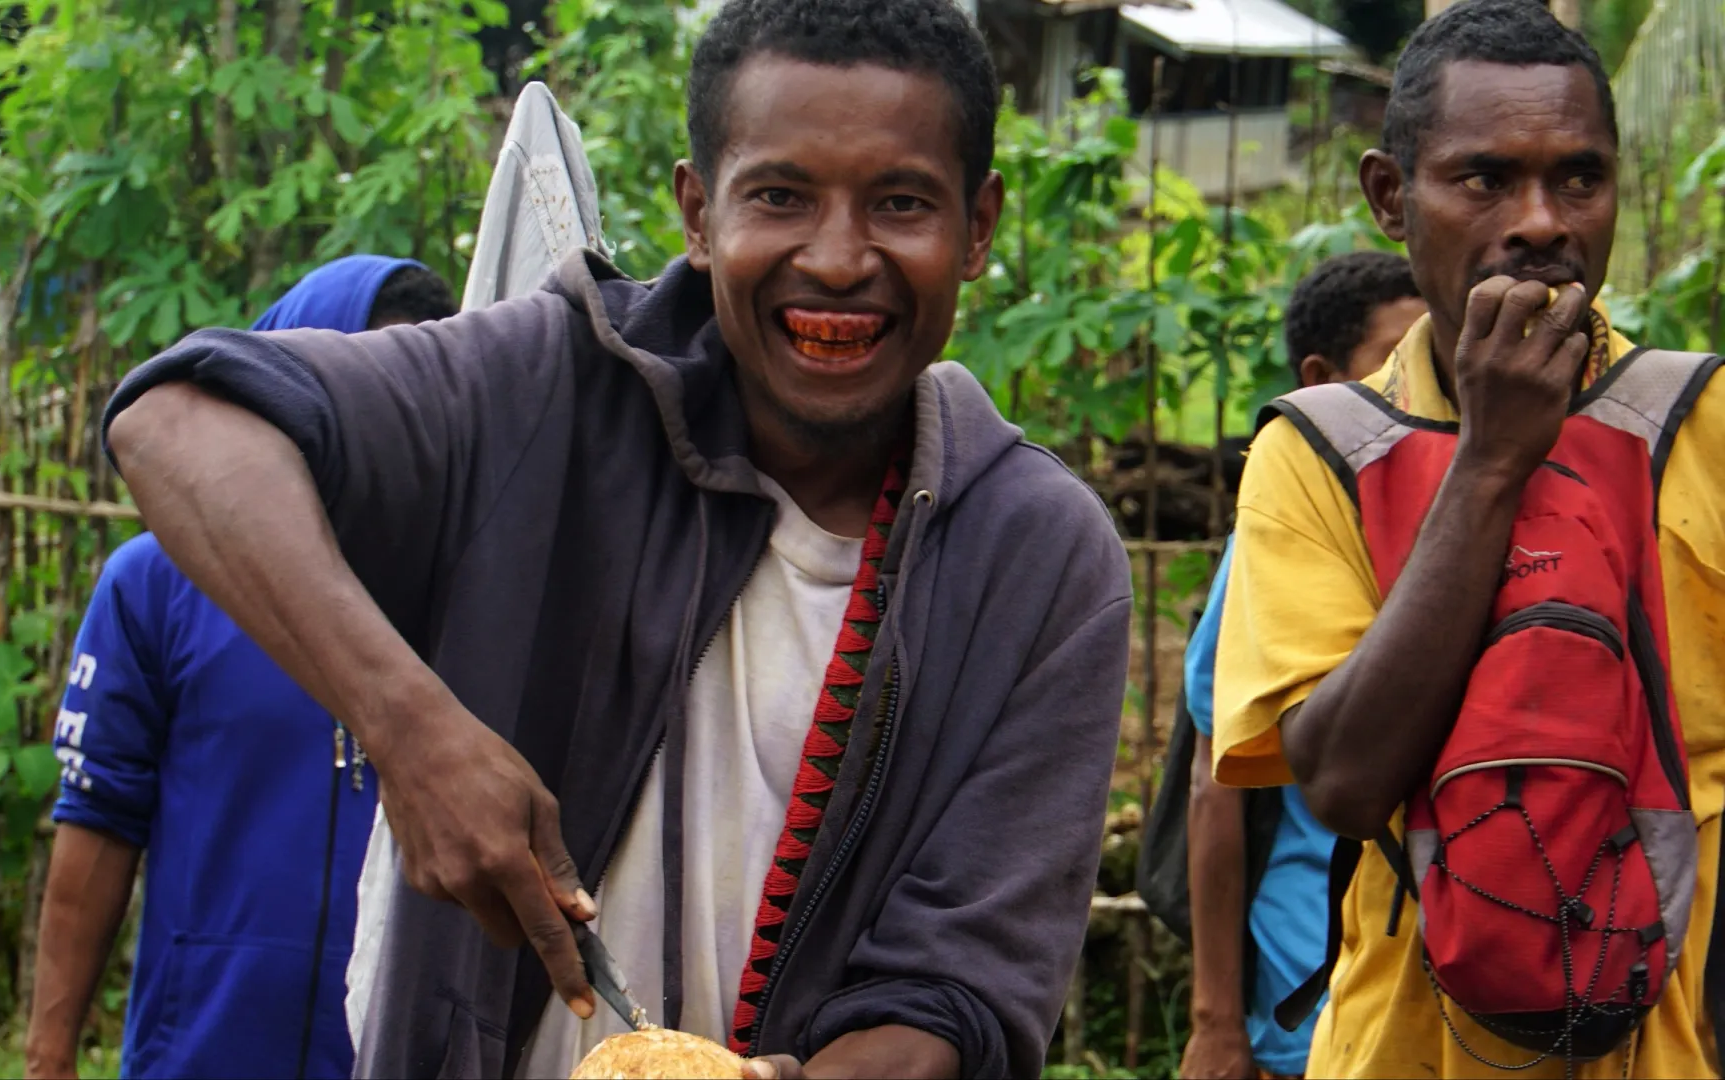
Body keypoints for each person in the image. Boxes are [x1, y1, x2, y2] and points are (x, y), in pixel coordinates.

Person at [98, 0, 1136, 1076]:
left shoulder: (1039, 561)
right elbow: (175, 421)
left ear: (978, 228)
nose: (836, 259)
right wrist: (410, 732)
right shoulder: (544, 391)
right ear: (696, 211)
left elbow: (962, 995)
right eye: (779, 196)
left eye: (902, 203)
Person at [1211, 0, 1725, 1076]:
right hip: (1408, 1048)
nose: (1541, 220)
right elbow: (1344, 780)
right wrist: (1493, 457)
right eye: (1485, 179)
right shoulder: (1322, 453)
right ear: (1392, 197)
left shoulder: (1705, 423)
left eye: (1578, 179)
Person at [23, 256, 459, 1080]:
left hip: (390, 1055)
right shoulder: (157, 583)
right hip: (201, 1051)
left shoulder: (460, 590)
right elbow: (99, 818)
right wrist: (49, 1057)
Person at [1178, 252, 1425, 1080]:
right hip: (1311, 993)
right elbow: (1218, 780)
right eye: (1399, 359)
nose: (1430, 377)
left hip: (1463, 981)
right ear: (1322, 381)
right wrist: (1216, 1022)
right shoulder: (1287, 529)